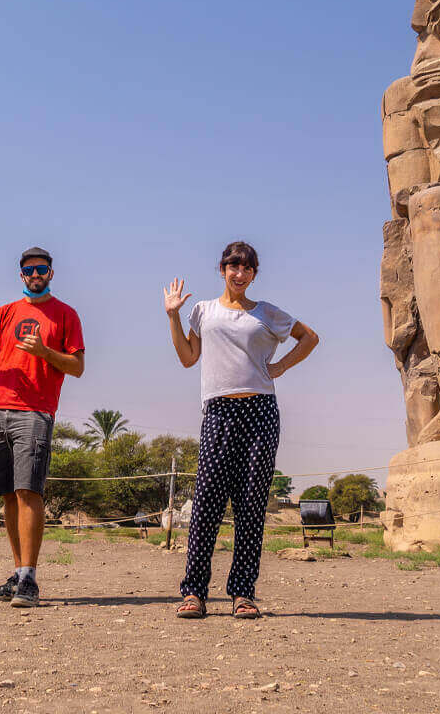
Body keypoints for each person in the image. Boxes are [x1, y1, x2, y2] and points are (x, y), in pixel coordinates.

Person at [163, 241, 319, 619]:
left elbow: (310, 338)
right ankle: (194, 593)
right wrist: (172, 316)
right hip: (218, 411)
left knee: (251, 505)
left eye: (247, 268)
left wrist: (280, 367)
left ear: (254, 274)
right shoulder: (203, 311)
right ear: (221, 269)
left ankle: (243, 594)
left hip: (260, 412)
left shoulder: (266, 313)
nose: (239, 273)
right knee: (206, 505)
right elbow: (188, 359)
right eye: (233, 266)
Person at [0, 246, 85, 608]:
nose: (36, 275)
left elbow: (77, 367)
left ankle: (31, 579)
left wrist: (45, 353)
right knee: (7, 495)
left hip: (34, 412)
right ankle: (18, 576)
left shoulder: (65, 315)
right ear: (21, 275)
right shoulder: (4, 313)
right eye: (30, 270)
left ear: (52, 274)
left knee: (28, 491)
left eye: (42, 270)